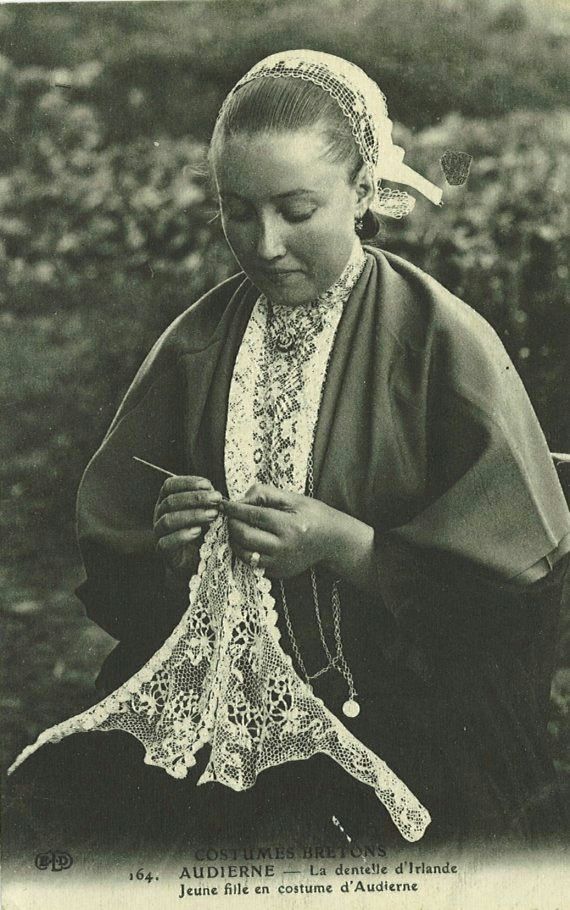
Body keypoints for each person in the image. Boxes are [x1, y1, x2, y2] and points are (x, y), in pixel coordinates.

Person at [5, 50, 570, 855]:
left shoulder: (440, 342)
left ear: (364, 195)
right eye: (237, 211)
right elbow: (118, 557)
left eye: (296, 210)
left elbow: (516, 594)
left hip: (408, 709)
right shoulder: (197, 341)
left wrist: (350, 547)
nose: (264, 243)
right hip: (221, 701)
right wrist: (173, 550)